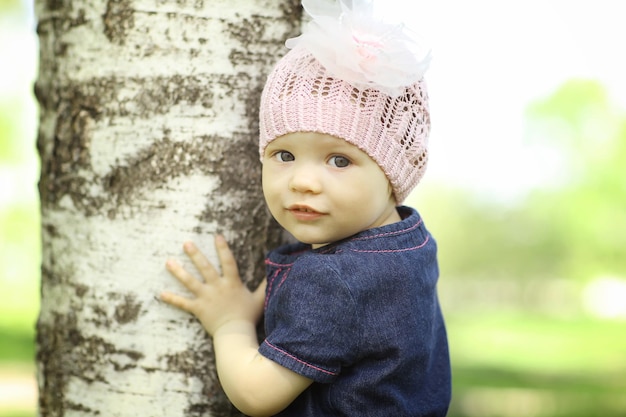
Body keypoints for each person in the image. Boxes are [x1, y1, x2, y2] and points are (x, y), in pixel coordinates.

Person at [160, 0, 451, 415]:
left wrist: (230, 322)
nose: (303, 181)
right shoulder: (410, 243)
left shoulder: (334, 281)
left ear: (392, 174)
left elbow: (256, 395)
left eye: (339, 160)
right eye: (283, 155)